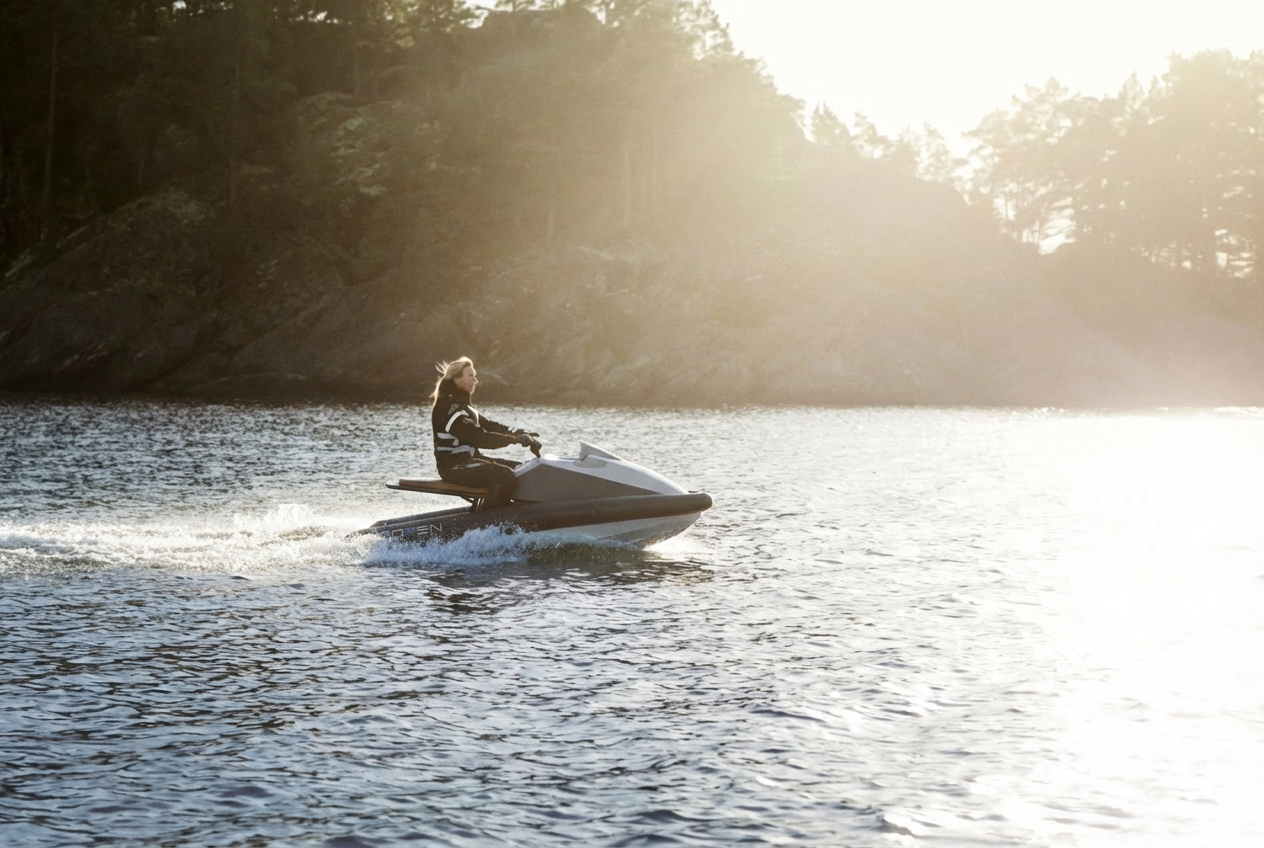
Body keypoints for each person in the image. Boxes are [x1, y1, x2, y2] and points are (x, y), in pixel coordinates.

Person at [429, 357, 539, 508]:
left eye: (475, 376)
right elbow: (480, 438)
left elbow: (489, 425)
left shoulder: (464, 406)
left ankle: (509, 511)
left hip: (470, 460)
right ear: (456, 379)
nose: (476, 380)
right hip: (453, 467)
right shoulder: (447, 408)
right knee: (504, 476)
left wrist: (521, 433)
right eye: (471, 376)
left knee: (521, 469)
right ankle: (491, 523)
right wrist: (516, 440)